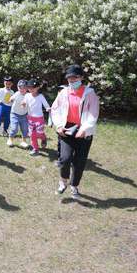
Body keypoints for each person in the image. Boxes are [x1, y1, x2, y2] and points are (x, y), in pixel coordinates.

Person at [51, 64, 99, 199]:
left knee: (79, 161)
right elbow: (55, 109)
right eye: (69, 78)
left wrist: (84, 129)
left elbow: (93, 113)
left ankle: (74, 186)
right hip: (66, 129)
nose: (72, 81)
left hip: (84, 131)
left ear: (81, 77)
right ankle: (63, 182)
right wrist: (59, 125)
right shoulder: (63, 92)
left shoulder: (90, 94)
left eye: (75, 78)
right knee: (65, 158)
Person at [23, 79, 51, 156]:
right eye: (29, 87)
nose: (31, 89)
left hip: (39, 119)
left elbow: (46, 105)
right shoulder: (27, 95)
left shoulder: (40, 96)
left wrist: (48, 108)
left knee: (39, 133)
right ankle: (35, 149)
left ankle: (43, 138)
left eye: (33, 87)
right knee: (32, 134)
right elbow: (24, 102)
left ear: (38, 87)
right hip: (30, 118)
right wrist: (23, 104)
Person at [7, 80, 30, 148]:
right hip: (14, 114)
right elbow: (11, 98)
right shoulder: (17, 94)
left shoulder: (28, 95)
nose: (22, 89)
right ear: (18, 87)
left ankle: (24, 141)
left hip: (24, 115)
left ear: (27, 88)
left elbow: (31, 103)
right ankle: (10, 139)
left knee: (25, 129)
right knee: (14, 129)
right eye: (20, 87)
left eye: (24, 88)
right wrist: (11, 100)